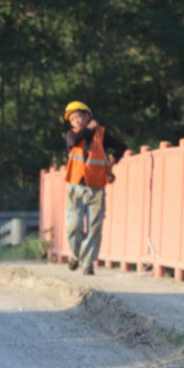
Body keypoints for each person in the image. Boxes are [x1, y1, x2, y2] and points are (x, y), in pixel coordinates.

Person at [63, 101, 128, 276]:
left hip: (97, 189)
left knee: (94, 228)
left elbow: (122, 147)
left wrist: (112, 161)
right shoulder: (71, 135)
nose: (76, 121)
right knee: (74, 226)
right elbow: (74, 141)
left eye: (79, 117)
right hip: (76, 188)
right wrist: (90, 129)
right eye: (73, 119)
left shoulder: (102, 135)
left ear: (87, 116)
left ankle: (87, 263)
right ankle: (76, 255)